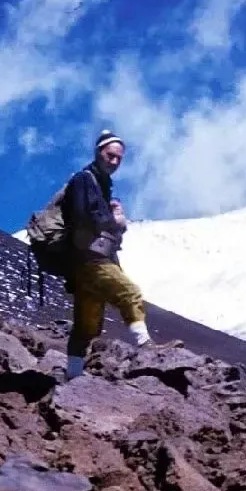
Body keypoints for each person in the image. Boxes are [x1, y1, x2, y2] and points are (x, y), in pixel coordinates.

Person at [61, 129, 154, 379]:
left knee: (87, 325)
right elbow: (81, 215)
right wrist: (112, 220)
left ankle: (73, 375)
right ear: (98, 152)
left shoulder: (101, 185)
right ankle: (148, 348)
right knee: (129, 292)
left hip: (85, 263)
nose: (113, 162)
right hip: (91, 260)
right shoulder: (84, 180)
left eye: (118, 159)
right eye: (109, 155)